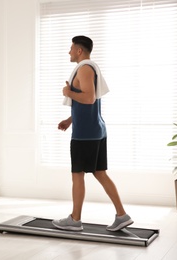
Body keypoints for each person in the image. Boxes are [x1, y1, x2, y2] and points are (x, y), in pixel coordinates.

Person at [52, 36, 133, 232]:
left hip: (86, 134)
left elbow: (88, 98)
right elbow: (90, 102)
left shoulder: (85, 68)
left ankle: (75, 220)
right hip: (94, 129)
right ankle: (122, 215)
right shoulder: (89, 68)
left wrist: (67, 92)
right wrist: (70, 120)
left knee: (77, 175)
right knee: (100, 173)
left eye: (71, 48)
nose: (69, 51)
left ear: (79, 51)